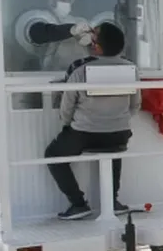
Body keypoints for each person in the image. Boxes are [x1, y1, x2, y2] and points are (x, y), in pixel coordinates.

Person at [44, 22, 140, 220]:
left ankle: (78, 204)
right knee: (113, 148)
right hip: (119, 133)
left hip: (85, 135)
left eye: (93, 34)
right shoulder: (132, 70)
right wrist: (116, 119)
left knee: (53, 155)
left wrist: (69, 124)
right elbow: (135, 105)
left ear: (96, 45)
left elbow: (66, 109)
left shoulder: (80, 70)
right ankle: (112, 202)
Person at [26, 0, 95, 72]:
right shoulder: (41, 17)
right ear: (51, 1)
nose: (66, 4)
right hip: (51, 74)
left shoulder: (79, 21)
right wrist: (71, 30)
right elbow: (42, 33)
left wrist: (91, 38)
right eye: (62, 0)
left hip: (80, 72)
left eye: (69, 1)